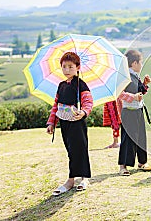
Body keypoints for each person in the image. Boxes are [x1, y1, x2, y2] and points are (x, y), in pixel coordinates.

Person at [46, 52, 94, 196]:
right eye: (64, 67)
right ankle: (72, 179)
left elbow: (88, 102)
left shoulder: (81, 85)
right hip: (64, 123)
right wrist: (51, 123)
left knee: (80, 149)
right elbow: (56, 106)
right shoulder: (61, 85)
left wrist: (84, 112)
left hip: (77, 123)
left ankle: (82, 178)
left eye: (70, 66)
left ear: (78, 67)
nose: (67, 70)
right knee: (70, 151)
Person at [117, 49, 151, 176]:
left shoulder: (135, 76)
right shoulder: (125, 77)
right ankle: (123, 166)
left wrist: (145, 84)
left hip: (138, 110)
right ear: (134, 63)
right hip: (129, 111)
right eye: (140, 62)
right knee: (128, 139)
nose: (141, 65)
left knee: (141, 137)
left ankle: (142, 162)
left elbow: (140, 93)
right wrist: (133, 97)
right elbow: (120, 94)